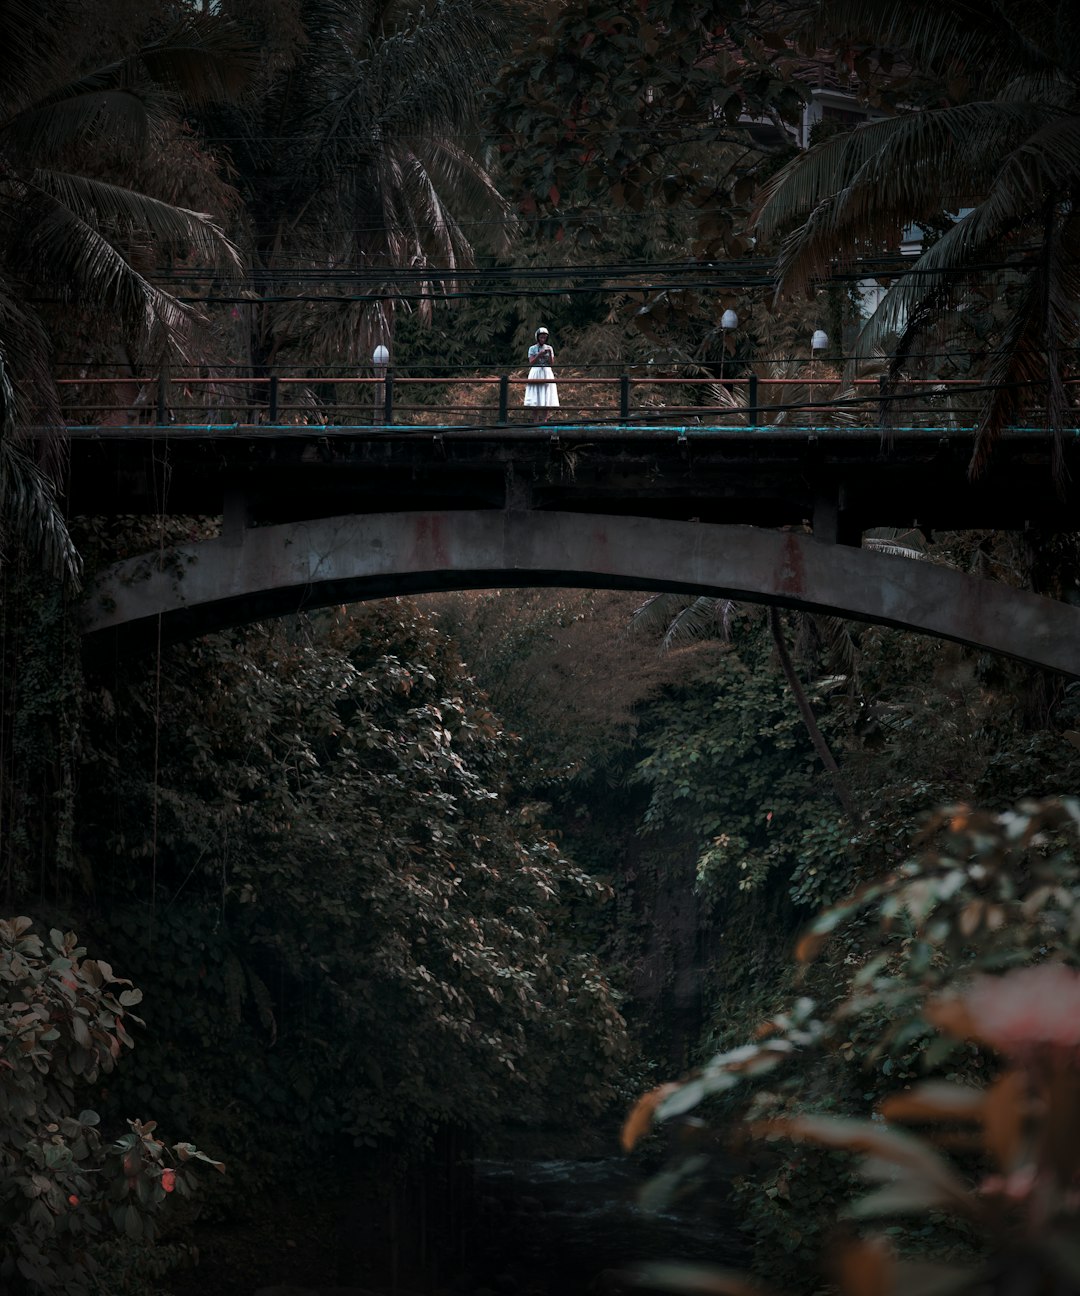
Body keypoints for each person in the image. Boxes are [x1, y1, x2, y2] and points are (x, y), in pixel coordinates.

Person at [523, 327, 560, 411]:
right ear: (537, 338)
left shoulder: (549, 348)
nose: (543, 339)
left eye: (545, 337)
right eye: (541, 337)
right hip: (536, 371)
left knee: (546, 394)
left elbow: (551, 363)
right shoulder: (532, 348)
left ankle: (545, 420)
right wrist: (539, 355)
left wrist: (550, 353)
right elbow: (531, 362)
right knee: (535, 394)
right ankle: (535, 420)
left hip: (546, 372)